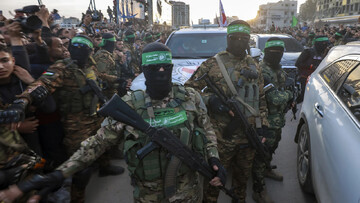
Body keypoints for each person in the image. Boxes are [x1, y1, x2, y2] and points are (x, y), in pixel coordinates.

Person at [0, 42, 225, 203]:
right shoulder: (129, 106)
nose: (161, 72)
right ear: (143, 70)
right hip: (150, 195)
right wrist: (60, 173)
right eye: (153, 68)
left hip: (189, 191)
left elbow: (206, 128)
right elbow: (96, 144)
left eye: (166, 67)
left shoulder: (190, 97)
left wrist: (214, 156)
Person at [0, 35, 111, 203]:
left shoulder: (90, 67)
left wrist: (119, 81)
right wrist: (21, 103)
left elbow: (100, 78)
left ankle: (106, 167)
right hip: (75, 125)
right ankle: (77, 198)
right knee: (81, 167)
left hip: (95, 117)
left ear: (90, 52)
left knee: (101, 148)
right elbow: (41, 85)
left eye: (84, 48)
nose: (78, 51)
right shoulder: (62, 67)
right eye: (75, 47)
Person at [186, 20, 269, 203]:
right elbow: (189, 90)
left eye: (244, 38)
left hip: (249, 134)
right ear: (228, 39)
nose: (239, 42)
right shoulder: (213, 64)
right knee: (214, 181)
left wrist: (262, 125)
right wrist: (211, 100)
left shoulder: (255, 66)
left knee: (242, 179)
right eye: (235, 38)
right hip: (221, 136)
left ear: (249, 41)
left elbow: (261, 99)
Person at [251, 38, 294, 203]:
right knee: (261, 155)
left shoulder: (278, 69)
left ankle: (267, 169)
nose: (276, 55)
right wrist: (290, 95)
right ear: (266, 53)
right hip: (264, 121)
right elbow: (274, 98)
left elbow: (284, 88)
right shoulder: (262, 71)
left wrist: (289, 93)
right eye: (273, 52)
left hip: (277, 120)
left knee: (272, 148)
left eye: (279, 52)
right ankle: (258, 190)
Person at [295, 35, 330, 102]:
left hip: (320, 80)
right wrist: (311, 67)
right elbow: (298, 64)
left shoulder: (326, 53)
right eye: (323, 44)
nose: (325, 46)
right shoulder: (308, 52)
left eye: (326, 44)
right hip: (306, 78)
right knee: (304, 97)